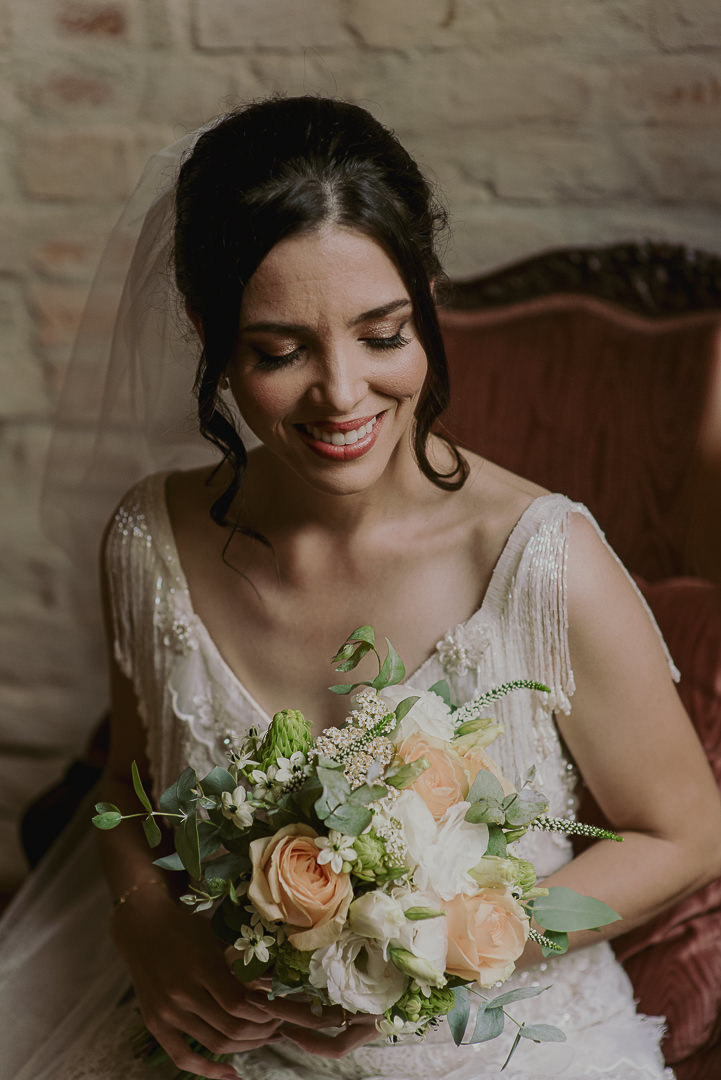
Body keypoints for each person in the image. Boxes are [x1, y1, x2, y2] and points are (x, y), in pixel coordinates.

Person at [2, 95, 720, 1080]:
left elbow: (684, 833)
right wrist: (148, 929)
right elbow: (129, 793)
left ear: (426, 303)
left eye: (382, 335)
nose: (341, 393)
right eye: (279, 350)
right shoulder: (149, 539)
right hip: (219, 1051)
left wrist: (441, 950)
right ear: (207, 331)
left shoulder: (539, 558)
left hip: (489, 1052)